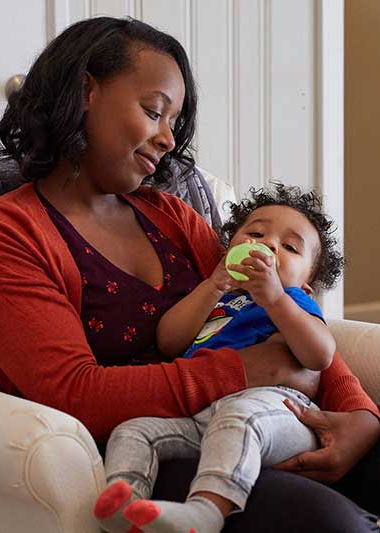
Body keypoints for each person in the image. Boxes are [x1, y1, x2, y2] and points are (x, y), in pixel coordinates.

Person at [0, 16, 380, 532]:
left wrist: (358, 416)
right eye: (154, 111)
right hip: (154, 452)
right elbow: (70, 393)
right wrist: (243, 370)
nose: (168, 138)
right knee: (327, 523)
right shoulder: (7, 232)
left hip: (265, 420)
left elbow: (277, 309)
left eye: (174, 121)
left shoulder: (171, 216)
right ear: (85, 91)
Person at [94, 184, 344, 533]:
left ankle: (206, 513)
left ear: (306, 284)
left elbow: (320, 355)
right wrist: (214, 284)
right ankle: (125, 506)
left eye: (289, 247)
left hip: (276, 414)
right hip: (203, 416)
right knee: (134, 430)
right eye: (255, 233)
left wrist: (275, 300)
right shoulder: (218, 297)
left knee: (238, 417)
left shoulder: (294, 301)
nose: (268, 244)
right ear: (229, 250)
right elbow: (169, 341)